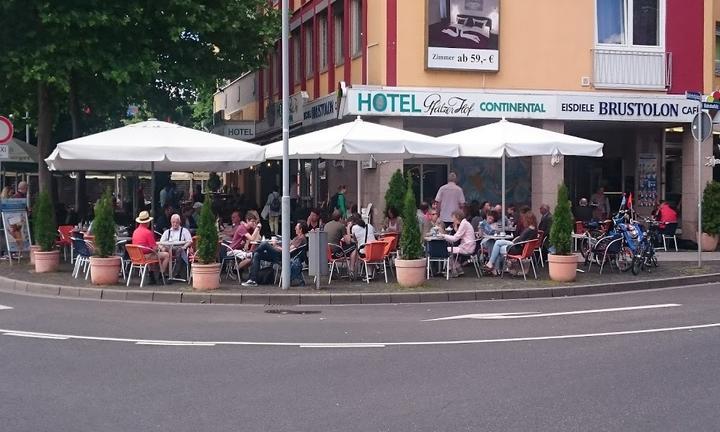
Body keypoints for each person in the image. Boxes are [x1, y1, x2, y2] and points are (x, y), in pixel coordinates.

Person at [242, 221, 308, 287]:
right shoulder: (298, 238)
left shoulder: (300, 238)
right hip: (281, 255)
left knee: (264, 244)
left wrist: (275, 245)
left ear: (301, 229)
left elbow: (287, 251)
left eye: (296, 227)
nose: (295, 229)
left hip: (283, 257)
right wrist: (278, 245)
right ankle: (253, 280)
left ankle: (250, 254)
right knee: (257, 255)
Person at [483, 211, 538, 275]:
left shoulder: (528, 230)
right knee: (497, 242)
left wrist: (513, 241)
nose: (523, 221)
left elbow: (519, 241)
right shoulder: (534, 229)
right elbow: (521, 240)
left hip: (516, 249)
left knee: (497, 248)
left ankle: (493, 266)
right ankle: (493, 265)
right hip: (521, 248)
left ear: (528, 220)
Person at [131, 210, 170, 282]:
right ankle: (161, 275)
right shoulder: (148, 233)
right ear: (147, 222)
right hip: (145, 257)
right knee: (166, 255)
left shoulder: (135, 231)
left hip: (136, 256)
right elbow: (154, 248)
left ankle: (151, 275)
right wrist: (160, 248)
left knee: (151, 253)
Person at [442, 210, 476, 276]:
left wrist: (443, 235)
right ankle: (458, 268)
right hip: (468, 246)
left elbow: (455, 238)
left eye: (453, 217)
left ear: (457, 217)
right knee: (449, 250)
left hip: (466, 248)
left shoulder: (464, 224)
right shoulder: (465, 223)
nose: (452, 219)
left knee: (445, 250)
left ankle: (454, 271)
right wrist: (456, 230)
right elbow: (461, 235)